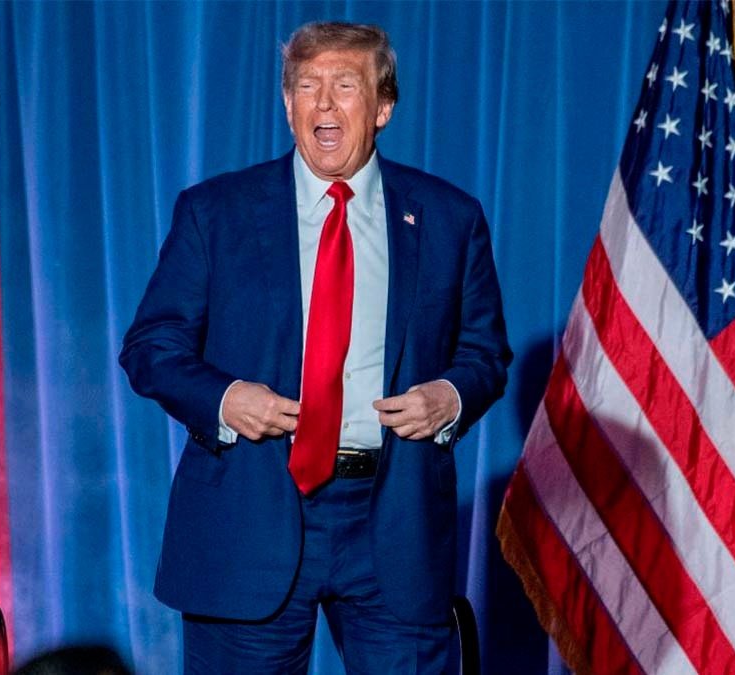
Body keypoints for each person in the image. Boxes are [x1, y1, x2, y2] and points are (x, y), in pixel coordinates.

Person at [121, 21, 510, 673]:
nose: (324, 104)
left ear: (383, 107)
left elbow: (485, 353)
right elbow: (152, 346)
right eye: (307, 86)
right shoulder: (216, 212)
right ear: (287, 104)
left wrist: (447, 396)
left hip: (393, 515)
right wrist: (224, 397)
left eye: (345, 85)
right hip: (252, 506)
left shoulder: (448, 217)